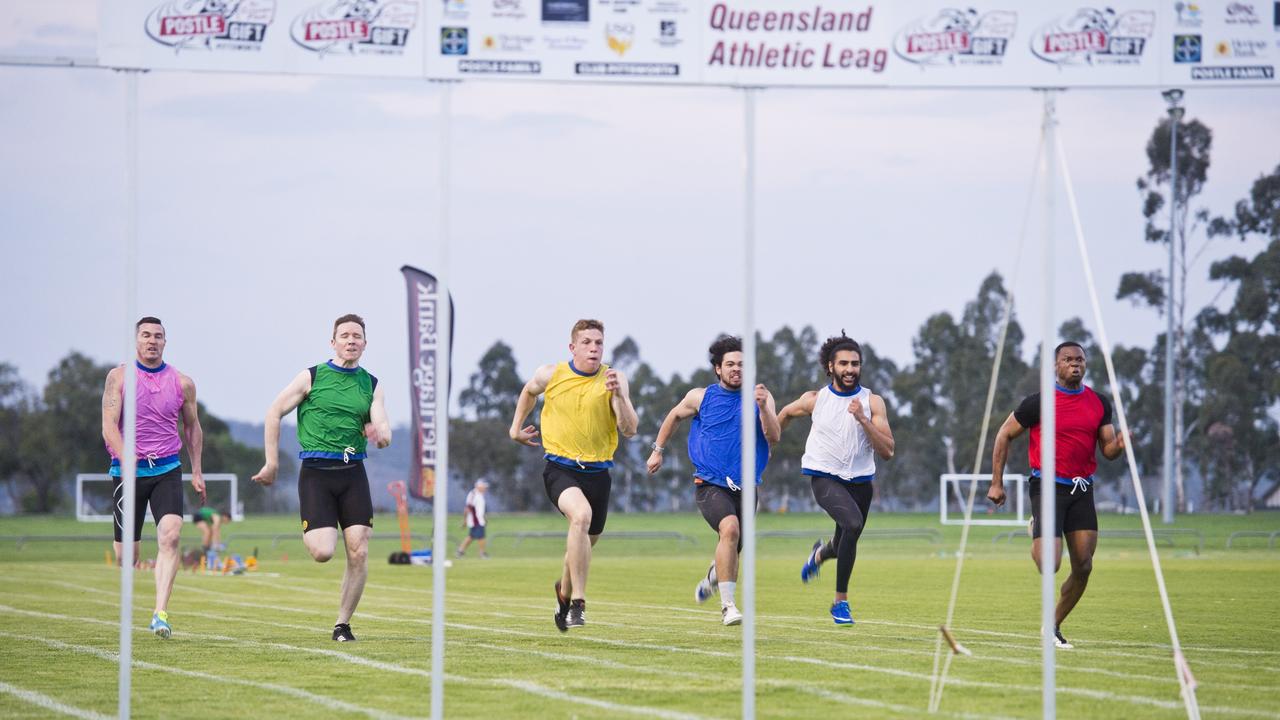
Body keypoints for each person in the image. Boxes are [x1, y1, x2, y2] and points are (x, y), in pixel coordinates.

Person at [252, 313, 391, 642]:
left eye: (357, 336)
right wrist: (271, 463)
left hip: (352, 470)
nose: (351, 341)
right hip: (316, 472)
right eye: (345, 336)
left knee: (358, 550)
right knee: (323, 551)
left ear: (365, 344)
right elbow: (274, 412)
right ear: (333, 342)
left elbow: (383, 427)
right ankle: (314, 526)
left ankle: (342, 624)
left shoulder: (371, 384)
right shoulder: (311, 376)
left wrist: (379, 435)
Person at [988, 341, 1126, 649]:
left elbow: (1108, 451)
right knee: (1049, 564)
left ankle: (1052, 625)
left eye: (1080, 360)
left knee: (1084, 566)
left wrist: (1119, 444)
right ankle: (1036, 525)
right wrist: (996, 483)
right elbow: (1004, 434)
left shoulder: (1099, 403)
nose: (1075, 364)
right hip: (1048, 486)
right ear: (1056, 365)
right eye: (1068, 360)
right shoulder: (1039, 402)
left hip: (1081, 489)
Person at [509, 319, 638, 632]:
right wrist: (515, 429)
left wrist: (619, 397)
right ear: (573, 347)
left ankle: (564, 592)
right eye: (587, 342)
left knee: (582, 543)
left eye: (598, 343)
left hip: (599, 473)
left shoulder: (614, 378)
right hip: (561, 468)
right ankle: (578, 603)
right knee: (580, 516)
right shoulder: (551, 374)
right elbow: (529, 391)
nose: (594, 348)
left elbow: (630, 429)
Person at [646, 336, 780, 626]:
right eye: (730, 364)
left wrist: (764, 408)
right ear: (718, 368)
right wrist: (657, 451)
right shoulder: (701, 396)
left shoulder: (762, 398)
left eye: (742, 364)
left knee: (732, 546)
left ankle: (713, 577)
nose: (736, 369)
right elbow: (674, 416)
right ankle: (728, 606)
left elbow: (774, 436)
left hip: (746, 487)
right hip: (709, 483)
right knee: (729, 530)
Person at [777, 332, 895, 625]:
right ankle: (840, 603)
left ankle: (820, 554)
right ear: (830, 367)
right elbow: (785, 414)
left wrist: (863, 419)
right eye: (843, 363)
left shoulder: (872, 402)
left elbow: (888, 450)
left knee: (846, 536)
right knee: (852, 524)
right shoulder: (815, 400)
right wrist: (767, 442)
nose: (850, 369)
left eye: (855, 363)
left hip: (861, 482)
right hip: (825, 476)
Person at [101, 316, 204, 639]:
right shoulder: (118, 378)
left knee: (171, 535)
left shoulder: (182, 383)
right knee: (126, 558)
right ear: (136, 341)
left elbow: (192, 427)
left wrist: (197, 469)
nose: (152, 341)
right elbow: (107, 425)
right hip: (127, 472)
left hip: (167, 469)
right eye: (146, 335)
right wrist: (126, 456)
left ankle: (160, 613)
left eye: (158, 336)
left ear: (165, 342)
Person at [456, 480, 490, 558]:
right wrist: (464, 520)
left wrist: (484, 517)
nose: (485, 488)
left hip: (479, 519)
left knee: (471, 536)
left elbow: (480, 509)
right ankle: (482, 553)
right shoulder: (473, 494)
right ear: (478, 486)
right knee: (481, 536)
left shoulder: (480, 495)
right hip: (475, 520)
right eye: (483, 486)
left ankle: (460, 551)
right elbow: (467, 508)